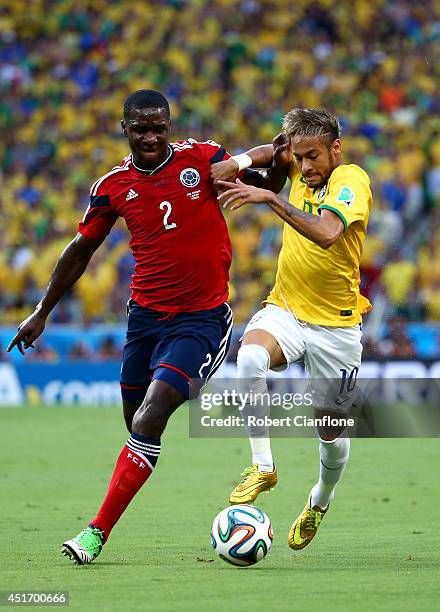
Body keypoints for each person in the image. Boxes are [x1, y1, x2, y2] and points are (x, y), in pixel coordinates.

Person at [7, 89, 238, 565]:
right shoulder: (112, 186)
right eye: (141, 129)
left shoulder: (203, 158)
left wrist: (270, 161)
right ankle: (139, 461)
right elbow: (80, 251)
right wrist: (42, 310)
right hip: (145, 321)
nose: (151, 136)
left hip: (202, 320)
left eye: (159, 127)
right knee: (137, 425)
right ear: (125, 129)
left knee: (149, 417)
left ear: (170, 126)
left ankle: (94, 533)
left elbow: (264, 180)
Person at [213, 108, 372, 550]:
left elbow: (325, 233)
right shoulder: (298, 160)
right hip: (286, 308)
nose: (304, 167)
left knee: (331, 431)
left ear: (335, 148)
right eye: (300, 158)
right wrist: (241, 163)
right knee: (249, 355)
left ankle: (320, 499)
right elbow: (274, 152)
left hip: (336, 328)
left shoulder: (351, 181)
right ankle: (263, 466)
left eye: (313, 157)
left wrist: (269, 198)